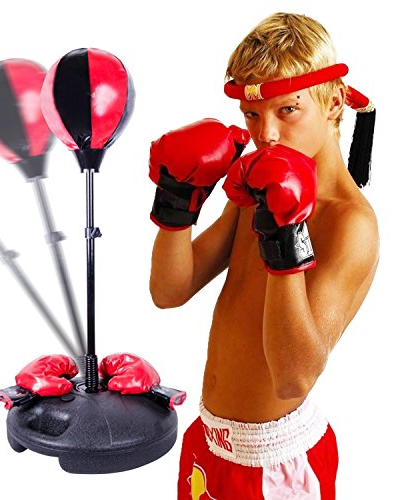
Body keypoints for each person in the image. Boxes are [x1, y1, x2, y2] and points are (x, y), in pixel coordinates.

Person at [148, 12, 379, 499]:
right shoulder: (256, 186)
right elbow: (170, 291)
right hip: (208, 443)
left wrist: (285, 236)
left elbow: (294, 377)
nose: (266, 133)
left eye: (287, 110)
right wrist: (177, 202)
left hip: (276, 467)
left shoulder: (349, 224)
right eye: (252, 115)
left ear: (334, 102)